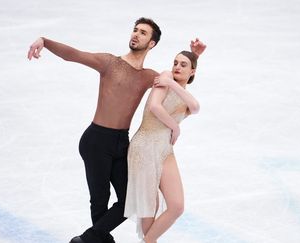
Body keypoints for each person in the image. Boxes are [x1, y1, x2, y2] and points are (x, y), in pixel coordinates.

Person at [27, 17, 206, 243]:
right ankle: (90, 240)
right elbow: (74, 54)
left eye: (142, 33)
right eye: (135, 30)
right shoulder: (109, 62)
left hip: (122, 142)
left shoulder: (148, 76)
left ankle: (89, 239)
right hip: (96, 140)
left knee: (129, 201)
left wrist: (194, 57)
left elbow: (179, 80)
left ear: (151, 43)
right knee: (100, 201)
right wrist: (44, 41)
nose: (135, 35)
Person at [124, 49, 203, 243]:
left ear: (192, 72)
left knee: (176, 206)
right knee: (149, 208)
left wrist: (173, 85)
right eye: (175, 62)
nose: (176, 67)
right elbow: (155, 106)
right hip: (144, 145)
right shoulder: (165, 77)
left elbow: (195, 107)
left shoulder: (180, 91)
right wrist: (175, 126)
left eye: (183, 65)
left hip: (164, 149)